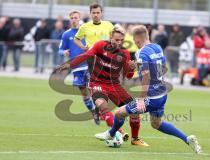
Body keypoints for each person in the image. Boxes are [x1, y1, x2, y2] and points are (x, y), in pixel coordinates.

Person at [95, 25, 202, 154]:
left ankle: (111, 134)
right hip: (162, 93)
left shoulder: (141, 52)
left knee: (119, 113)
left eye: (134, 40)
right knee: (156, 124)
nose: (134, 43)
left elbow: (146, 76)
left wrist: (141, 99)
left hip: (151, 97)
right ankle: (187, 139)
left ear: (137, 39)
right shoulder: (157, 48)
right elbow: (158, 67)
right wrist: (136, 65)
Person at [59, 26, 149, 146]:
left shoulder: (125, 53)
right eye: (116, 40)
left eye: (121, 40)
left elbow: (128, 75)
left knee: (134, 110)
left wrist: (132, 68)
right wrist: (69, 64)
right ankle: (118, 132)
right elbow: (85, 56)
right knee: (103, 106)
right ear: (110, 37)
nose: (119, 43)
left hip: (114, 85)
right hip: (97, 83)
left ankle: (135, 139)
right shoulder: (100, 45)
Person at [58, 10, 98, 125]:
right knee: (83, 91)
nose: (74, 20)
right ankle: (93, 111)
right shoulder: (66, 34)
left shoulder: (85, 31)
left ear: (79, 18)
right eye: (72, 18)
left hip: (88, 64)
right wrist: (63, 52)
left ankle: (99, 108)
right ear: (70, 19)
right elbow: (60, 50)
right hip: (76, 68)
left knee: (92, 87)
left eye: (76, 18)